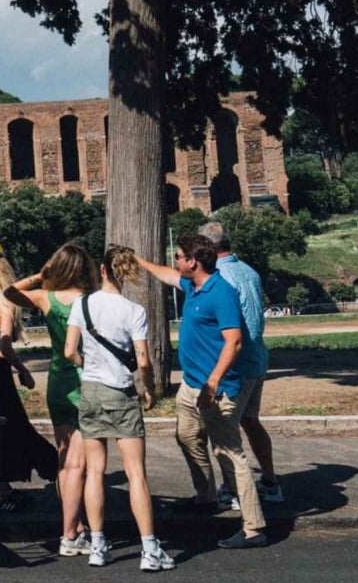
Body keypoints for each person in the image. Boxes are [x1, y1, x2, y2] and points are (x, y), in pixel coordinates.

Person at [138, 233, 269, 549]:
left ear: (193, 261)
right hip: (191, 385)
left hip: (216, 388)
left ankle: (254, 528)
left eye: (180, 256)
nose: (176, 262)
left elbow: (234, 341)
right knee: (187, 436)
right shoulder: (193, 286)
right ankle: (206, 496)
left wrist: (213, 383)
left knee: (229, 454)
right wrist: (137, 261)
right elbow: (168, 276)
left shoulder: (220, 291)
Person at [63, 245, 174, 571]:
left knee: (94, 472)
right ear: (124, 272)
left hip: (92, 392)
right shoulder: (133, 310)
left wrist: (88, 366)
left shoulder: (81, 305)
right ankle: (150, 550)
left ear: (102, 269)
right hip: (122, 393)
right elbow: (142, 359)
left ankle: (98, 545)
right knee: (136, 473)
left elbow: (70, 349)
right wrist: (150, 388)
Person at [7, 242, 96, 556]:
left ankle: (77, 525)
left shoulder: (46, 298)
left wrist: (39, 275)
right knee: (78, 464)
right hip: (84, 380)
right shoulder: (91, 301)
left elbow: (9, 292)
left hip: (58, 381)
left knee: (65, 461)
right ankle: (70, 533)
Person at [199, 221, 283, 508]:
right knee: (250, 421)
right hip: (257, 358)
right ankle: (270, 481)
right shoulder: (249, 271)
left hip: (235, 364)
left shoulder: (218, 279)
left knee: (225, 431)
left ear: (207, 248)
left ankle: (233, 491)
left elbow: (228, 332)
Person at [0, 256, 57, 510]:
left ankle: (2, 483)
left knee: (2, 422)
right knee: (14, 422)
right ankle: (49, 464)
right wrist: (23, 370)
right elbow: (6, 344)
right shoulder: (7, 306)